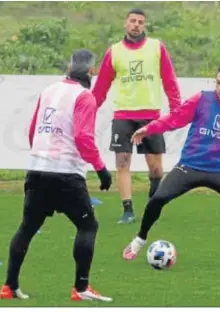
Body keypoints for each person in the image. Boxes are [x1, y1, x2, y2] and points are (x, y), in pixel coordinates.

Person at [122, 63, 220, 266]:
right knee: (158, 197)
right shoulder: (202, 99)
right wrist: (149, 128)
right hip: (191, 165)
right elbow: (174, 119)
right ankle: (139, 239)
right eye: (218, 83)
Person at [0, 49, 113, 302]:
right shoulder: (86, 97)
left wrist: (40, 157)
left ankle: (9, 286)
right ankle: (81, 287)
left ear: (69, 66)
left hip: (38, 170)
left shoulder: (49, 90)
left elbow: (33, 131)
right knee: (87, 225)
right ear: (91, 71)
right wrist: (101, 168)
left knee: (27, 227)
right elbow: (83, 137)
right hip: (66, 174)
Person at [92, 8, 182, 224]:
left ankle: (153, 201)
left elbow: (170, 81)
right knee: (122, 163)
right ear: (125, 24)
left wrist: (176, 110)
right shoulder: (114, 52)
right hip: (123, 115)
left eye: (140, 22)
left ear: (145, 26)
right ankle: (128, 210)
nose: (136, 25)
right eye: (133, 21)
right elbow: (101, 88)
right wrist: (87, 110)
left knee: (156, 168)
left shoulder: (156, 48)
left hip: (151, 116)